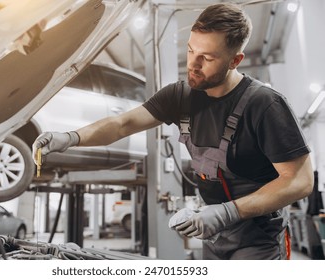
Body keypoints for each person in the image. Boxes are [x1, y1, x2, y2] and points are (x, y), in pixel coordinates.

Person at [32, 3, 314, 260]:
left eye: (207, 57)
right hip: (214, 235)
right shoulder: (181, 96)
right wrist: (70, 138)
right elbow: (123, 124)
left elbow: (300, 181)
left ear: (235, 61)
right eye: (191, 50)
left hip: (259, 238)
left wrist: (229, 211)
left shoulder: (264, 104)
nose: (193, 64)